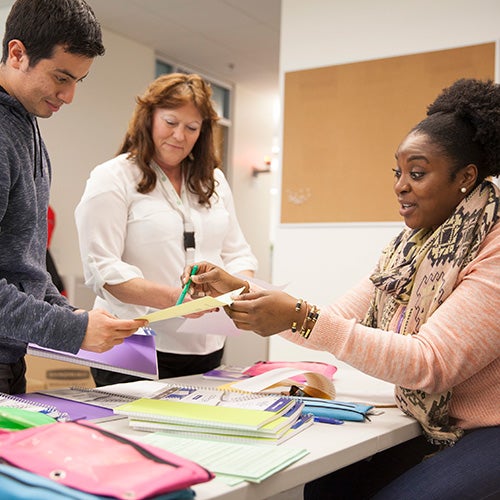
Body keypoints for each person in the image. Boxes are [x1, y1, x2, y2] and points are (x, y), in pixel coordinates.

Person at [183, 78, 500, 499]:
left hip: (489, 428)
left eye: (417, 173)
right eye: (398, 172)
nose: (400, 186)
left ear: (466, 177)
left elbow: (431, 363)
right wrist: (238, 290)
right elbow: (332, 320)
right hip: (439, 423)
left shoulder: (492, 248)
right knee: (322, 488)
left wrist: (300, 316)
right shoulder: (409, 251)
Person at [0, 0, 148, 395]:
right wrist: (74, 328)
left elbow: (24, 267)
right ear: (18, 54)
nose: (68, 96)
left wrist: (71, 313)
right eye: (61, 78)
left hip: (10, 358)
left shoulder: (26, 127)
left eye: (77, 82)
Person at [75, 72, 257, 386]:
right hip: (134, 344)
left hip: (207, 345)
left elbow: (238, 253)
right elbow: (102, 269)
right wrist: (175, 299)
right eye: (170, 122)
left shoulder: (213, 181)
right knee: (134, 434)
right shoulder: (113, 177)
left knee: (198, 431)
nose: (179, 136)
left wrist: (235, 289)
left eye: (192, 128)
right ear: (148, 119)